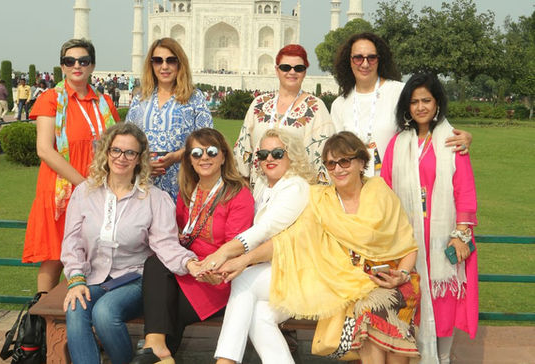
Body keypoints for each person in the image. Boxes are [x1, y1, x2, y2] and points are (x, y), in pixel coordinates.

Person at [220, 131, 420, 364]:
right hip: (336, 281)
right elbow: (288, 240)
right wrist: (245, 259)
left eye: (345, 161)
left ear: (361, 162)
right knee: (260, 313)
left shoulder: (380, 192)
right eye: (331, 164)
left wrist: (402, 274)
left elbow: (408, 245)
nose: (338, 169)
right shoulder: (320, 200)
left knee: (377, 308)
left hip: (386, 278)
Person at [62, 122, 200, 364]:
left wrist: (189, 263)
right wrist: (76, 279)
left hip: (135, 278)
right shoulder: (84, 192)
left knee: (105, 313)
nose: (121, 158)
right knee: (76, 306)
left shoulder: (155, 198)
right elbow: (72, 242)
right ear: (106, 152)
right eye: (116, 150)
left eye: (130, 153)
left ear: (139, 159)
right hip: (94, 277)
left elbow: (165, 245)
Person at [131, 127, 254, 364]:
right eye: (196, 153)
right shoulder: (187, 192)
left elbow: (235, 247)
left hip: (216, 278)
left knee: (166, 307)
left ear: (223, 156)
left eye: (211, 151)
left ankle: (156, 350)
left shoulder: (238, 194)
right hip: (188, 270)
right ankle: (156, 348)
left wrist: (211, 271)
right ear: (189, 159)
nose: (204, 157)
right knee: (156, 264)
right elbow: (177, 238)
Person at [381, 73, 478, 364]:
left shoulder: (452, 141)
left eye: (426, 100)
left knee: (443, 300)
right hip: (408, 237)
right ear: (407, 107)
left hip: (444, 236)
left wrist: (461, 234)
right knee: (415, 298)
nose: (420, 107)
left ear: (437, 103)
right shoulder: (397, 144)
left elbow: (464, 189)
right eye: (414, 102)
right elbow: (386, 190)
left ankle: (443, 358)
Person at [205, 129, 316, 364]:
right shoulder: (264, 186)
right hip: (275, 273)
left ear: (292, 155)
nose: (269, 159)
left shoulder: (296, 187)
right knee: (259, 316)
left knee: (244, 280)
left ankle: (225, 361)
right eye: (263, 154)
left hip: (301, 274)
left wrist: (224, 253)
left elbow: (265, 229)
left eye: (277, 153)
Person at [22, 38, 120, 293]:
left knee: (94, 254)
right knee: (55, 256)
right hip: (62, 188)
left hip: (98, 189)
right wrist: (83, 184)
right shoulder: (51, 99)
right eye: (70, 61)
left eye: (83, 61)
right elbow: (45, 149)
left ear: (92, 66)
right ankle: (42, 313)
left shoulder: (104, 103)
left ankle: (84, 311)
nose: (77, 66)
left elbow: (117, 144)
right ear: (62, 66)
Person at [330, 32, 472, 177]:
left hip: (399, 181)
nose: (365, 64)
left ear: (380, 60)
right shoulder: (339, 104)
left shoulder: (399, 92)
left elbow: (434, 123)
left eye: (371, 58)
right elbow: (336, 150)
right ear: (349, 61)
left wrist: (464, 138)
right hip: (355, 185)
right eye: (358, 58)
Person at [234, 44, 335, 186]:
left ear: (304, 72)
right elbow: (244, 149)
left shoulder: (315, 107)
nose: (292, 72)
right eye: (286, 67)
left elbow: (324, 154)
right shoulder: (260, 104)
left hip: (297, 191)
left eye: (298, 68)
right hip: (259, 189)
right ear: (277, 70)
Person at [126, 37, 213, 201]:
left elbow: (207, 139)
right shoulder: (141, 98)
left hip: (182, 182)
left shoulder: (194, 98)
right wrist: (143, 164)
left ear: (180, 64)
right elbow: (127, 140)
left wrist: (178, 155)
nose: (164, 66)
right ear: (151, 64)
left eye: (171, 60)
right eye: (158, 61)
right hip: (144, 182)